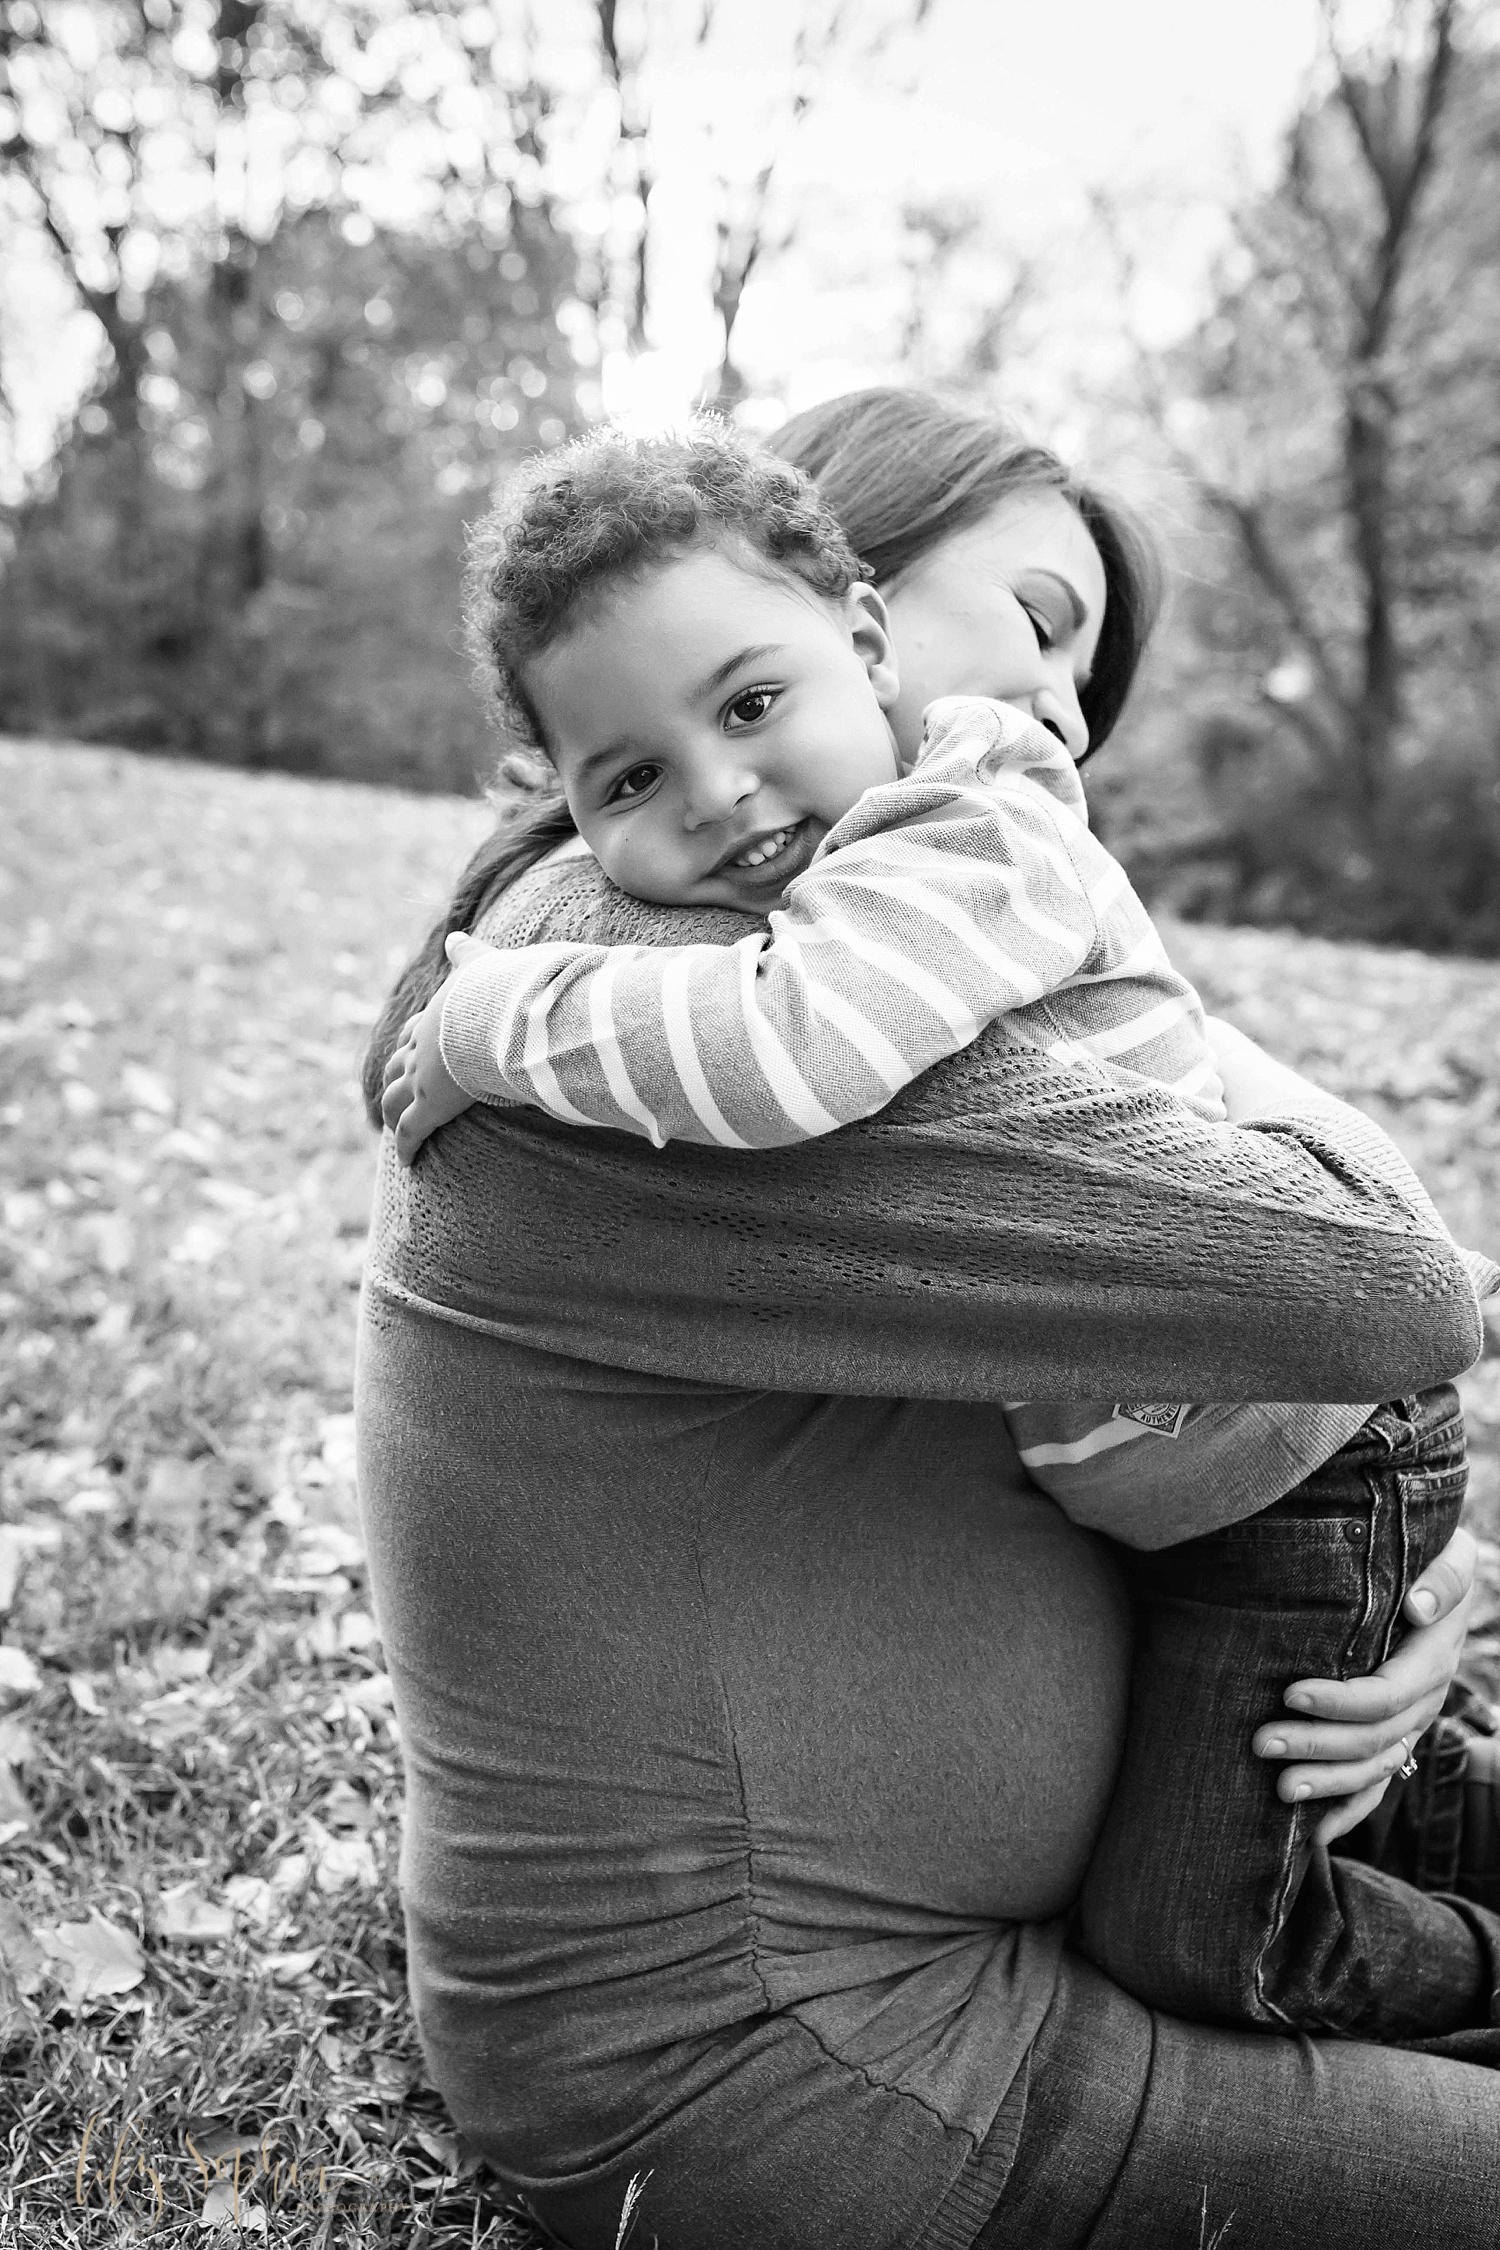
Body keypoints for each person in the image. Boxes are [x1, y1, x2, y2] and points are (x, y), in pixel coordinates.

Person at [356, 392, 1499, 2250]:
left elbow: (1227, 1175)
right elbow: (1373, 1275)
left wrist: (1421, 1591)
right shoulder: (678, 992)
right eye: (1039, 625)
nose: (1057, 719)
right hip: (821, 2067)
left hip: (978, 1939)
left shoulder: (833, 921)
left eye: (1088, 693)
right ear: (853, 593)